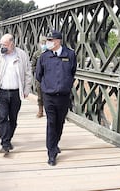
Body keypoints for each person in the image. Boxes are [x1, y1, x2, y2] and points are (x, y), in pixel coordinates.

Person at [35, 30, 77, 166]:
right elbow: (38, 75)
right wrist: (48, 86)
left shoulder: (70, 54)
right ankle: (51, 153)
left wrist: (66, 84)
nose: (48, 43)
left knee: (60, 123)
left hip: (63, 96)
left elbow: (73, 71)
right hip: (49, 96)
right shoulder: (44, 56)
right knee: (51, 123)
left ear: (58, 41)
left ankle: (55, 143)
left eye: (50, 40)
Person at [0, 34, 32, 154]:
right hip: (1, 92)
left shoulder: (22, 55)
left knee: (13, 118)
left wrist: (27, 89)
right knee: (2, 117)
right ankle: (5, 143)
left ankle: (8, 139)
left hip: (16, 92)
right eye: (1, 44)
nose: (2, 47)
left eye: (5, 45)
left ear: (12, 44)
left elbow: (28, 73)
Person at [31, 36, 47, 118]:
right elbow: (33, 66)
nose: (44, 44)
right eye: (42, 43)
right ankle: (40, 111)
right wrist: (38, 73)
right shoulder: (37, 54)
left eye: (45, 43)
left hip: (49, 78)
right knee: (40, 95)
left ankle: (49, 111)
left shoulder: (51, 53)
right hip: (40, 78)